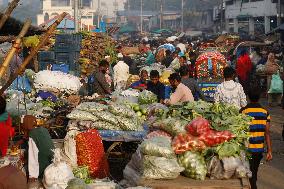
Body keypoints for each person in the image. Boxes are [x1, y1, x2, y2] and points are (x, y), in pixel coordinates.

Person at [240, 88, 272, 189]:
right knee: (254, 171)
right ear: (259, 97)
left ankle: (252, 186)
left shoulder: (243, 111)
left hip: (246, 149)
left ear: (248, 97)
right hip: (258, 149)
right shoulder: (265, 112)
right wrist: (269, 151)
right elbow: (267, 133)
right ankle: (253, 185)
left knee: (248, 172)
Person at [22, 115, 54, 181]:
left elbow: (32, 156)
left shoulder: (32, 134)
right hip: (52, 163)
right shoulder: (44, 130)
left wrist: (32, 176)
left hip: (42, 166)